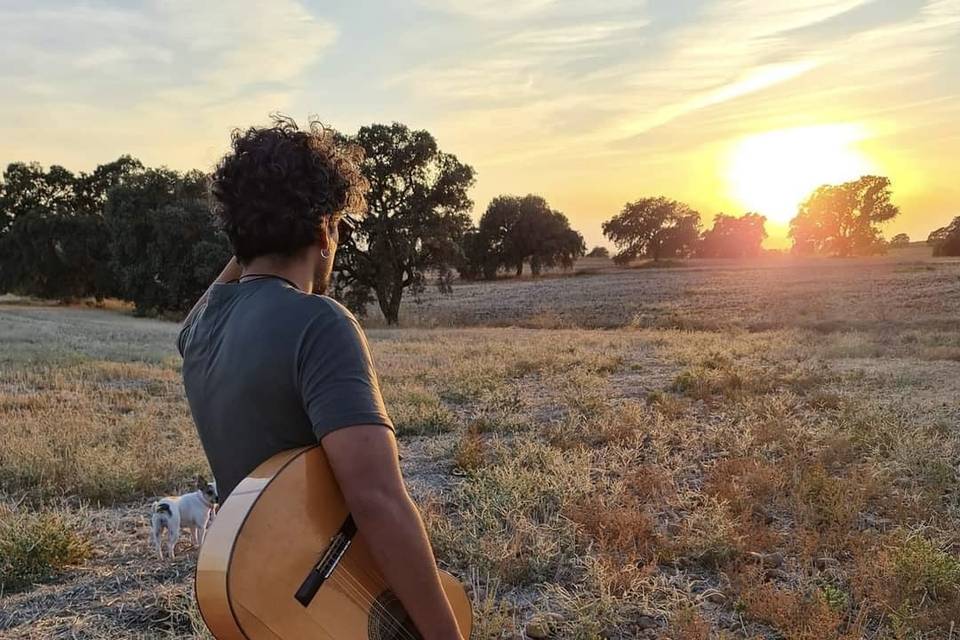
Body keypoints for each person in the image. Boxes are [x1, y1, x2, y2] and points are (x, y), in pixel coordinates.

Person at [178, 115, 463, 639]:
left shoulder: (199, 331)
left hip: (269, 601)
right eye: (336, 223)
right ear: (326, 227)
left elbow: (224, 285)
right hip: (330, 601)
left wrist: (257, 219)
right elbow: (377, 500)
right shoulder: (321, 323)